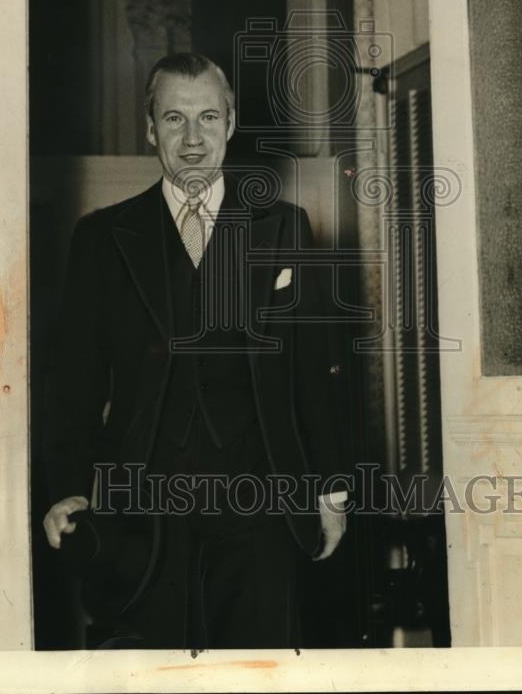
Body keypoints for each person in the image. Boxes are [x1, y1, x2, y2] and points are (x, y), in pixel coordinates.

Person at [43, 52, 351, 649]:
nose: (192, 139)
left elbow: (314, 372)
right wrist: (68, 485)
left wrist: (331, 489)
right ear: (150, 127)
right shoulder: (103, 237)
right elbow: (73, 383)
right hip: (144, 512)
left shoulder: (285, 227)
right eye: (175, 119)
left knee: (260, 673)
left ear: (231, 123)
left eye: (208, 117)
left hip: (262, 504)